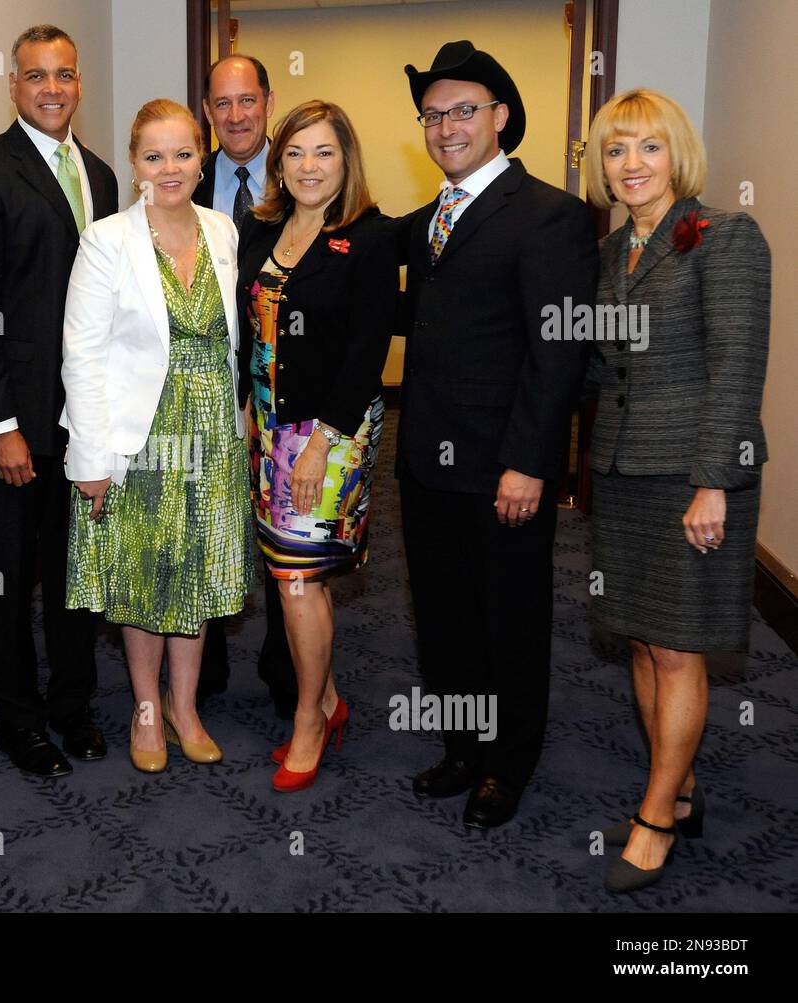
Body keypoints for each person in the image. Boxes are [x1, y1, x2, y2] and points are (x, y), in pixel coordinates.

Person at [395, 41, 597, 826]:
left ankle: (507, 766)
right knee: (441, 612)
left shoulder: (550, 214)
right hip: (426, 459)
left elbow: (559, 352)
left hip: (503, 466)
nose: (445, 127)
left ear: (500, 117)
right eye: (433, 114)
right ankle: (462, 746)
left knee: (509, 617)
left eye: (462, 111)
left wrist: (530, 463)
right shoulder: (427, 222)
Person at [584, 89, 770, 893]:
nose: (632, 165)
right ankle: (681, 786)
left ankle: (656, 814)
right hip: (621, 470)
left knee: (678, 645)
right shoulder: (609, 252)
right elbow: (602, 363)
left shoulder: (723, 236)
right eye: (617, 150)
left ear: (677, 156)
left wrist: (713, 483)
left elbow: (736, 368)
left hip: (692, 472)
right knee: (640, 636)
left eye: (648, 148)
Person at [62, 99, 251, 773]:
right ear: (135, 164)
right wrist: (90, 457)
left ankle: (185, 704)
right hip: (137, 435)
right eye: (153, 156)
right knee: (143, 573)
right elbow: (80, 354)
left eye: (182, 153)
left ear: (203, 160)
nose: (169, 168)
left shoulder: (224, 230)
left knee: (195, 569)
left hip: (211, 431)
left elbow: (236, 342)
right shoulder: (107, 239)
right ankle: (145, 706)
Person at [0, 25, 118, 778]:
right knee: (7, 573)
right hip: (14, 424)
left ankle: (73, 703)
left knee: (75, 570)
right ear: (13, 85)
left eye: (64, 74)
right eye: (35, 76)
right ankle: (18, 718)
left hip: (83, 416)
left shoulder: (103, 175)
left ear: (78, 82)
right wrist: (0, 424)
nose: (52, 88)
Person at [237, 100, 396, 792]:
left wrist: (318, 444)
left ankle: (309, 718)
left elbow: (366, 351)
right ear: (279, 164)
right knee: (289, 573)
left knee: (300, 578)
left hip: (330, 432)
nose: (308, 167)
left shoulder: (369, 236)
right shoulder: (261, 226)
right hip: (270, 426)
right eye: (295, 153)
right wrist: (248, 407)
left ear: (346, 160)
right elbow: (250, 329)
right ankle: (328, 698)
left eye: (324, 152)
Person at [194, 53, 296, 718]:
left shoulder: (301, 179)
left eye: (247, 101)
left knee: (284, 544)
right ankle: (201, 669)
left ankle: (287, 671)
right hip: (200, 394)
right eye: (222, 103)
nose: (235, 115)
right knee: (204, 529)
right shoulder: (180, 174)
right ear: (208, 111)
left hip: (283, 394)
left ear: (267, 101)